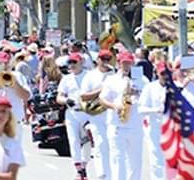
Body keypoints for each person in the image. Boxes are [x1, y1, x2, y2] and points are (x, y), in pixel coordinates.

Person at [99, 52, 146, 180]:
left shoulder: (142, 80)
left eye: (129, 63)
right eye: (124, 63)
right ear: (119, 63)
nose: (127, 66)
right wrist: (114, 106)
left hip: (135, 125)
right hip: (116, 125)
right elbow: (102, 99)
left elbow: (147, 99)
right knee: (117, 160)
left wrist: (136, 93)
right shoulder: (111, 80)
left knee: (135, 162)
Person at [78, 50, 115, 180]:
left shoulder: (115, 74)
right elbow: (83, 96)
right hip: (97, 115)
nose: (106, 62)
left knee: (113, 146)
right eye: (103, 59)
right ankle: (102, 174)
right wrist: (101, 89)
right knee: (100, 144)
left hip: (112, 115)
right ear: (97, 60)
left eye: (108, 59)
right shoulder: (91, 76)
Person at [56, 53, 91, 179]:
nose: (72, 65)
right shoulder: (66, 79)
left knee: (88, 141)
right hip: (72, 112)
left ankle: (84, 165)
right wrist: (66, 101)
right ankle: (79, 169)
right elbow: (59, 97)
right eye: (70, 62)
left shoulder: (89, 76)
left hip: (87, 112)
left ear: (81, 62)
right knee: (74, 140)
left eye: (74, 62)